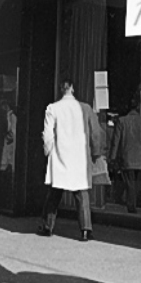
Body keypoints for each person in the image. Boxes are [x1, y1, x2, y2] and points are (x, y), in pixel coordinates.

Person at [38, 79, 104, 241]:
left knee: (54, 192)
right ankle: (85, 229)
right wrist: (96, 153)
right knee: (82, 193)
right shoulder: (86, 109)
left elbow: (47, 135)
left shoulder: (53, 108)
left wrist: (48, 151)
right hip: (80, 156)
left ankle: (48, 226)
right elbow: (96, 133)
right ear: (73, 88)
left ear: (61, 89)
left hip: (60, 155)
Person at [109, 94, 141, 213]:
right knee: (137, 183)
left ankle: (131, 204)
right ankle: (133, 203)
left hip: (126, 157)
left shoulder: (122, 121)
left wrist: (112, 158)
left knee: (129, 182)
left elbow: (115, 142)